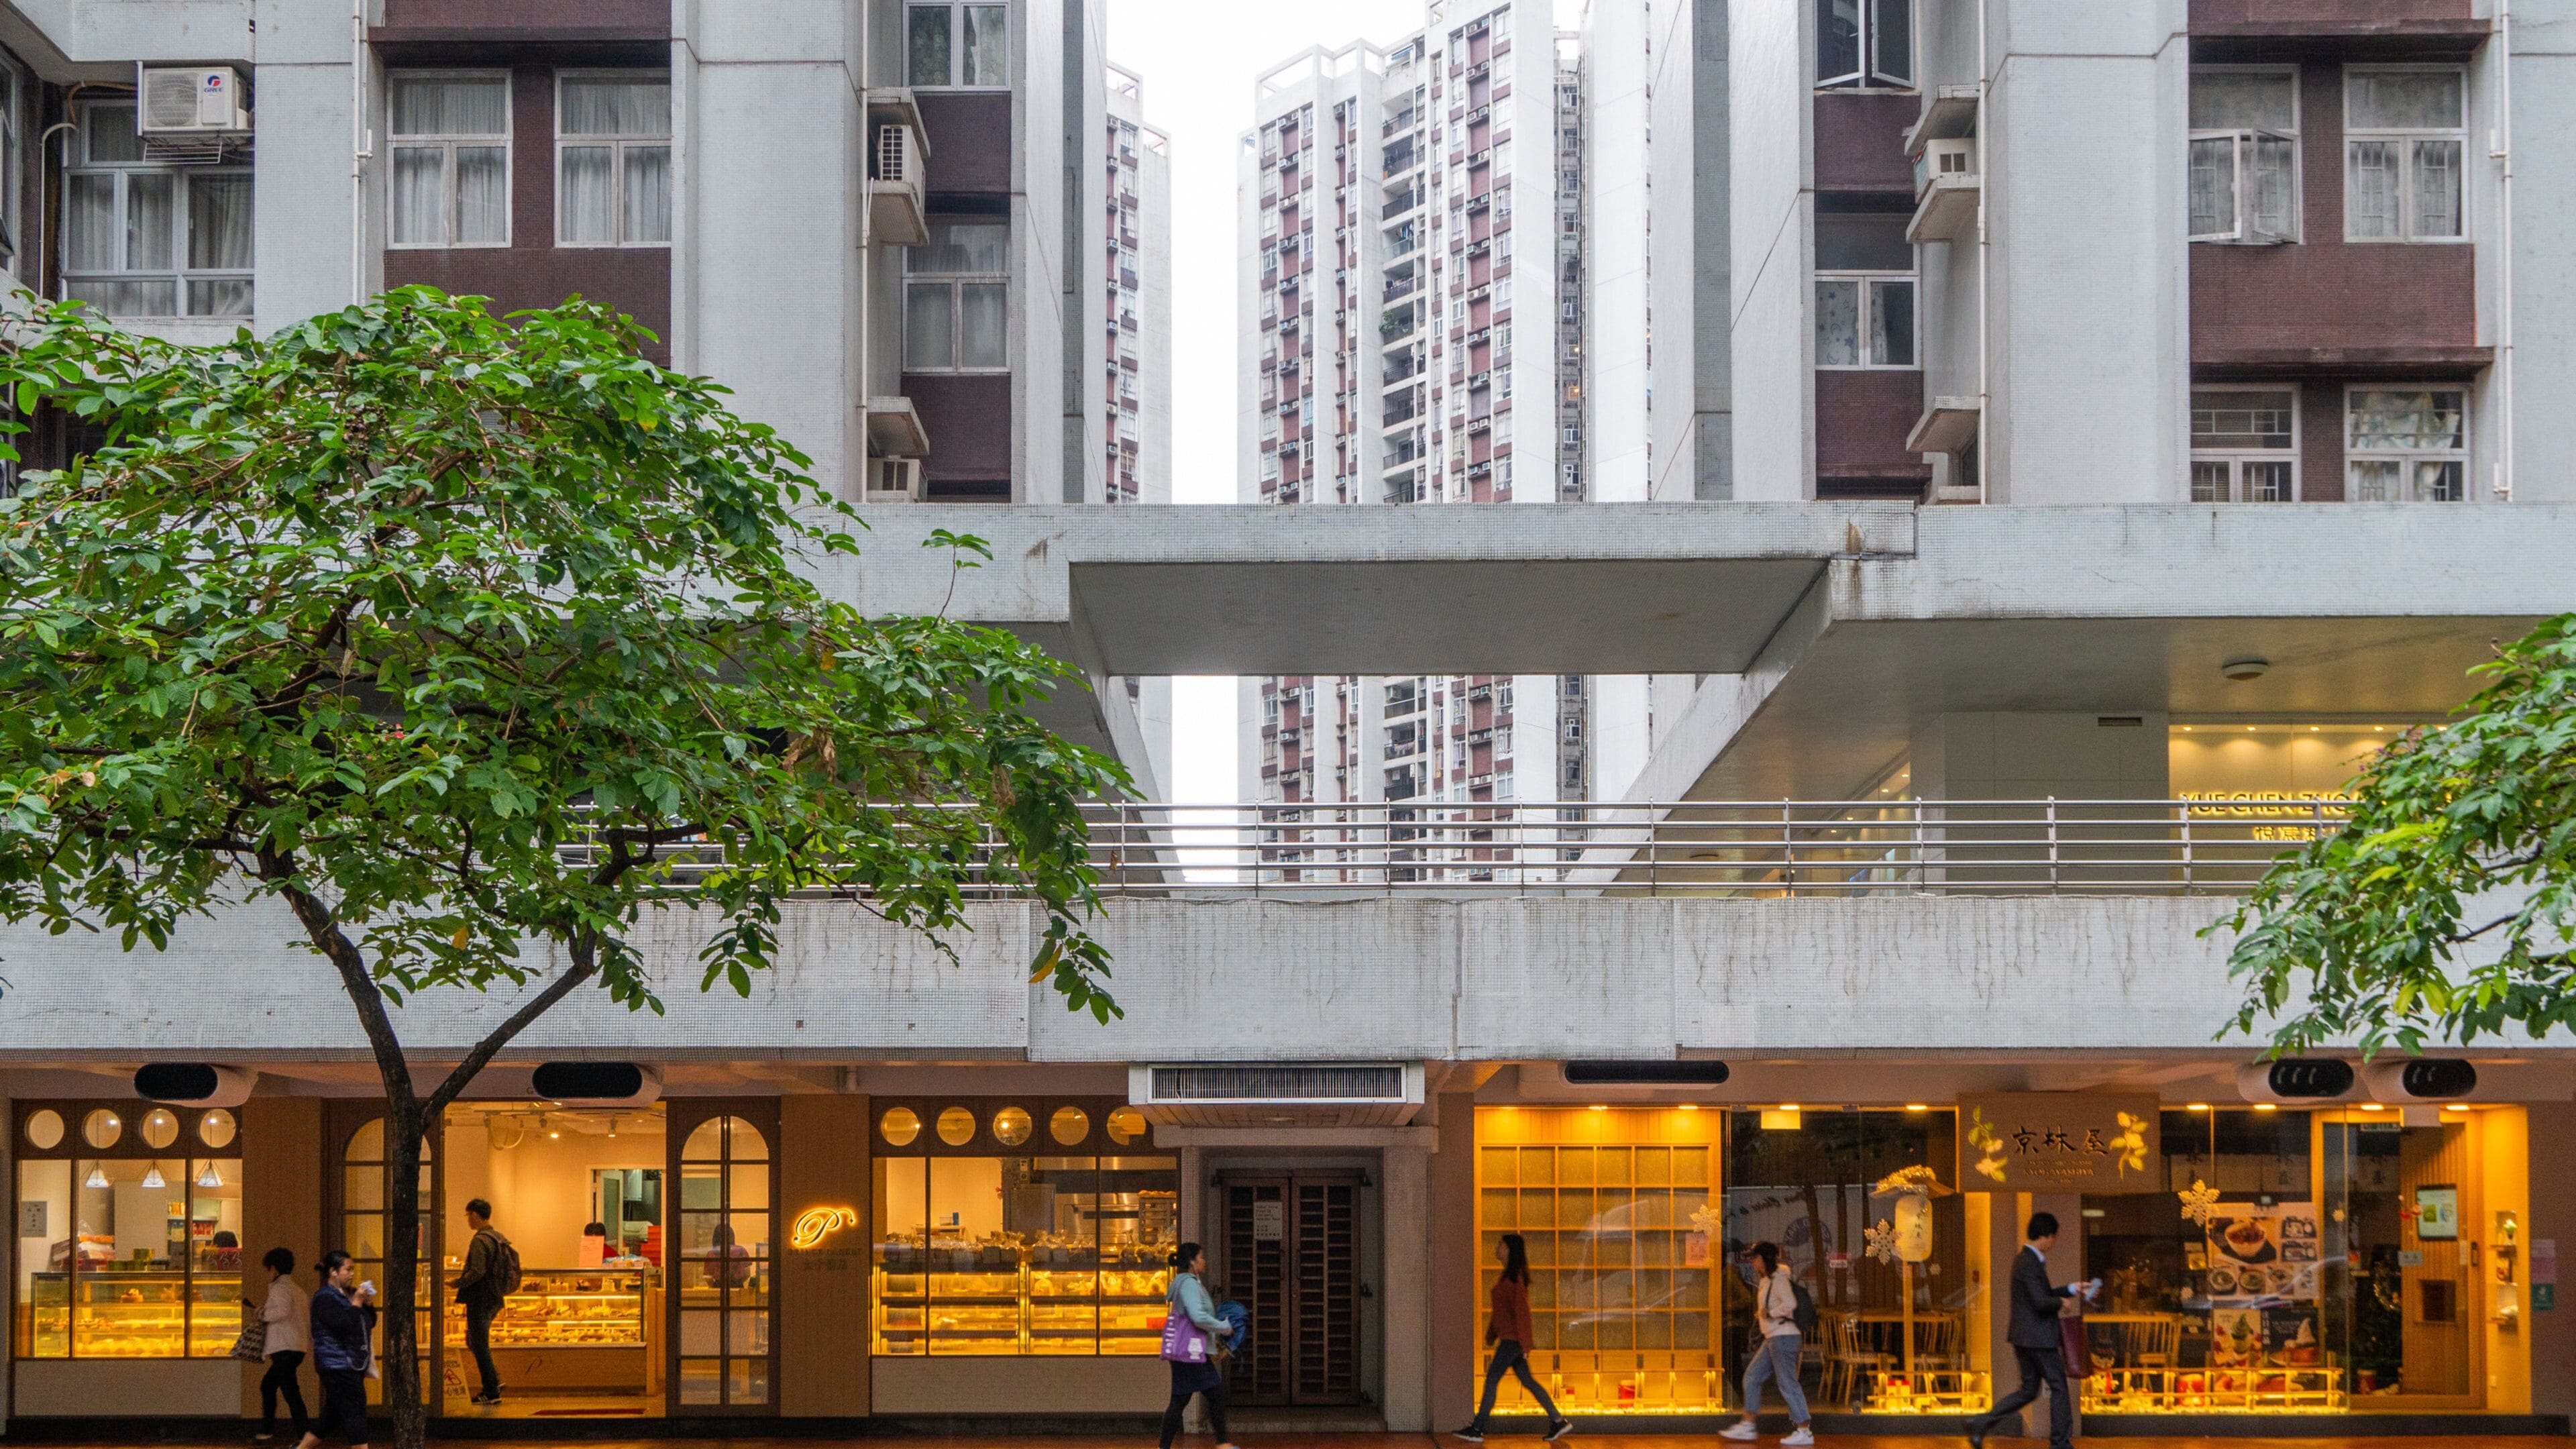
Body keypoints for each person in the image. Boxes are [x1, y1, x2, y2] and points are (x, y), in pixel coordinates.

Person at [1965, 1212, 2098, 1449]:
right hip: (2038, 1339)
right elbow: (2040, 1301)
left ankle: (1981, 1423)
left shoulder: (2027, 1260)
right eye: (2054, 1237)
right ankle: (2060, 1443)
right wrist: (2062, 1303)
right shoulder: (2028, 1262)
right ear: (2046, 1237)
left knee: (2028, 1391)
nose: (2055, 1243)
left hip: (2025, 1337)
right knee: (2059, 1386)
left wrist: (2071, 1289)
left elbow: (2041, 1294)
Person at [1455, 1234, 1573, 1442]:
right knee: (1528, 1381)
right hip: (1512, 1340)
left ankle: (1477, 1428)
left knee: (1492, 1379)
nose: (1497, 1247)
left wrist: (1525, 1345)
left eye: (1501, 1245)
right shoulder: (1508, 1278)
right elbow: (1504, 1312)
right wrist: (1493, 1334)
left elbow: (1522, 1313)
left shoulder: (1513, 1279)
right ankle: (1557, 1420)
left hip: (1512, 1341)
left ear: (1509, 1250)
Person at [1721, 1241, 1813, 1446]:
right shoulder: (1767, 1280)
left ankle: (1804, 1429)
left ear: (1764, 1259)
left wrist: (1769, 1313)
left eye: (1755, 1258)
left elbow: (1790, 1303)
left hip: (1783, 1337)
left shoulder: (1778, 1279)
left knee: (1787, 1382)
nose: (1752, 1262)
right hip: (1773, 1336)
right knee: (1752, 1377)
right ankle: (1748, 1425)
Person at [1157, 1242, 1238, 1449]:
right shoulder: (1190, 1284)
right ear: (1192, 1262)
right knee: (1215, 1395)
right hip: (1191, 1353)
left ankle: (1164, 1447)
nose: (1204, 1261)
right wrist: (1223, 1327)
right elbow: (1198, 1316)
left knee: (1180, 1399)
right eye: (1201, 1258)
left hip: (1186, 1353)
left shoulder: (1185, 1282)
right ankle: (1223, 1444)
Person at [297, 1250, 376, 1449]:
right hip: (338, 1364)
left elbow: (368, 1323)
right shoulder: (324, 1298)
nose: (351, 1274)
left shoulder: (346, 1295)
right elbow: (344, 1324)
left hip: (349, 1363)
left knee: (332, 1415)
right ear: (333, 1272)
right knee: (355, 1413)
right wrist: (357, 1303)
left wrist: (367, 1305)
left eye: (353, 1270)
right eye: (347, 1269)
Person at [451, 1197, 512, 1405]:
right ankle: (494, 1380)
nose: (468, 1220)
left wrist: (458, 1282)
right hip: (494, 1297)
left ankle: (491, 1391)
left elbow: (477, 1270)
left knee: (478, 1343)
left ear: (475, 1215)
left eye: (468, 1216)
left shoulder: (479, 1241)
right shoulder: (498, 1237)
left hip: (480, 1298)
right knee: (476, 1341)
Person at [254, 1247, 310, 1443]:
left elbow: (283, 1311)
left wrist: (263, 1314)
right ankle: (302, 1435)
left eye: (269, 1269)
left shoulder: (280, 1288)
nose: (268, 1273)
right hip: (297, 1347)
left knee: (275, 1387)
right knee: (286, 1389)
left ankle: (274, 1431)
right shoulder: (298, 1290)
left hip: (285, 1347)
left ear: (275, 1268)